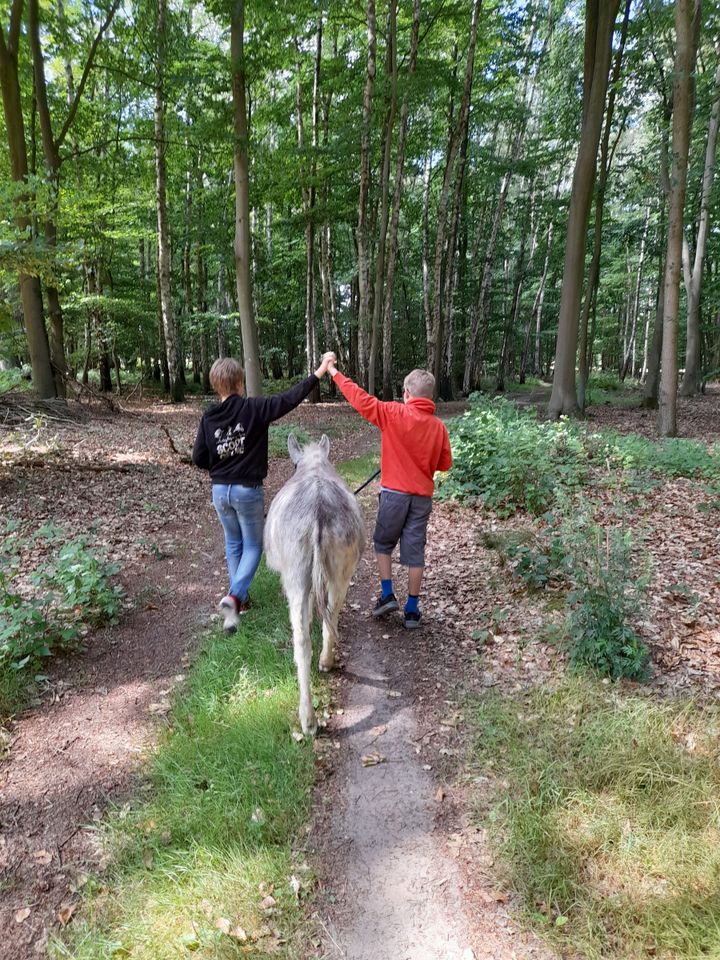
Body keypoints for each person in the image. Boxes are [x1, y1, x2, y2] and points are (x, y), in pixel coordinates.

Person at [192, 355, 334, 632]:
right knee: (254, 546)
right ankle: (234, 597)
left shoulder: (209, 417)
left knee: (234, 544)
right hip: (247, 490)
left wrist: (222, 463)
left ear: (216, 386)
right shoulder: (254, 408)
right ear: (239, 383)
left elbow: (199, 457)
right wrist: (318, 373)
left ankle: (239, 603)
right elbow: (289, 399)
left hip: (220, 491)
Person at [324, 353, 452, 628]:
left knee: (383, 542)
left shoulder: (393, 412)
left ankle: (386, 594)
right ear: (430, 399)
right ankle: (413, 610)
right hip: (422, 498)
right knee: (415, 551)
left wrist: (334, 371)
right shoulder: (439, 427)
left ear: (406, 394)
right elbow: (444, 464)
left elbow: (360, 398)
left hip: (394, 495)